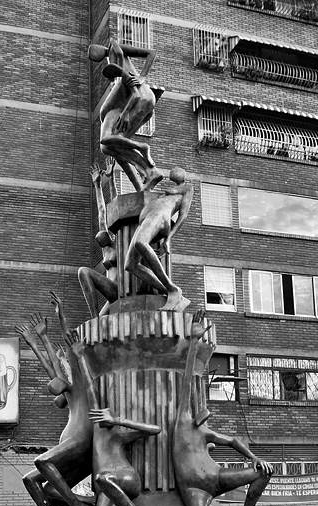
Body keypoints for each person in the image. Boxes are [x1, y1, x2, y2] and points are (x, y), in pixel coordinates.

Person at [66, 329, 178, 506]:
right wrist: (79, 356)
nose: (103, 415)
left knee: (101, 479)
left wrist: (118, 419)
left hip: (125, 479)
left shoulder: (119, 434)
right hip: (108, 488)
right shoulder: (98, 427)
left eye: (106, 413)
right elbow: (90, 389)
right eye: (102, 414)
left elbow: (155, 429)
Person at [173, 311, 273, 506]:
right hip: (195, 487)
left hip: (217, 477)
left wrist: (255, 457)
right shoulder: (182, 421)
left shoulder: (206, 432)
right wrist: (194, 341)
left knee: (264, 472)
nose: (205, 415)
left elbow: (235, 441)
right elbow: (187, 380)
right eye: (203, 412)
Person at [15, 300, 94, 506]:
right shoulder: (68, 391)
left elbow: (67, 346)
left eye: (63, 364)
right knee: (38, 484)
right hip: (73, 449)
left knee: (41, 461)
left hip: (81, 442)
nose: (58, 371)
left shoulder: (80, 381)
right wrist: (35, 342)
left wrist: (59, 320)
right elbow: (53, 372)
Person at [88, 39, 163, 191]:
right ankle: (143, 180)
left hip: (139, 101)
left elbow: (135, 92)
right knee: (110, 148)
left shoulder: (120, 63)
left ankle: (143, 150)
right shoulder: (116, 64)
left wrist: (142, 77)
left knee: (107, 143)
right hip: (136, 102)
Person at [124, 167, 193, 311]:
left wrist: (168, 239)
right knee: (130, 265)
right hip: (148, 219)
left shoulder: (187, 188)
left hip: (159, 216)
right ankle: (172, 293)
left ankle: (173, 289)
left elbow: (183, 216)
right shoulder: (164, 194)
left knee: (140, 243)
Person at [78, 163, 119, 317]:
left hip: (120, 290)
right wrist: (97, 185)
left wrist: (111, 178)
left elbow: (116, 208)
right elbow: (101, 211)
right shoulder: (106, 249)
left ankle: (95, 320)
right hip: (111, 295)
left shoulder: (118, 242)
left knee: (83, 271)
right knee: (98, 330)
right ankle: (95, 319)